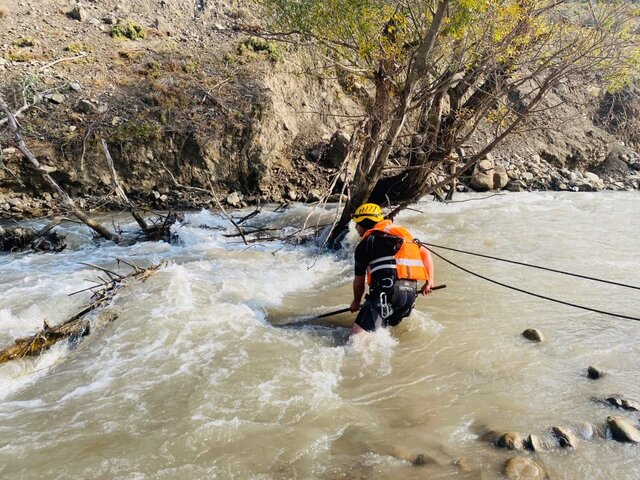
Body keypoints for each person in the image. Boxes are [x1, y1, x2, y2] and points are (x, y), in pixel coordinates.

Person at [349, 203, 435, 334]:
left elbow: (359, 282)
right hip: (409, 298)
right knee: (385, 334)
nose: (355, 227)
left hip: (386, 295)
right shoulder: (403, 236)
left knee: (355, 340)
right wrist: (429, 282)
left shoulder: (366, 244)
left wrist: (356, 301)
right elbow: (426, 254)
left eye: (357, 223)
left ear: (364, 224)